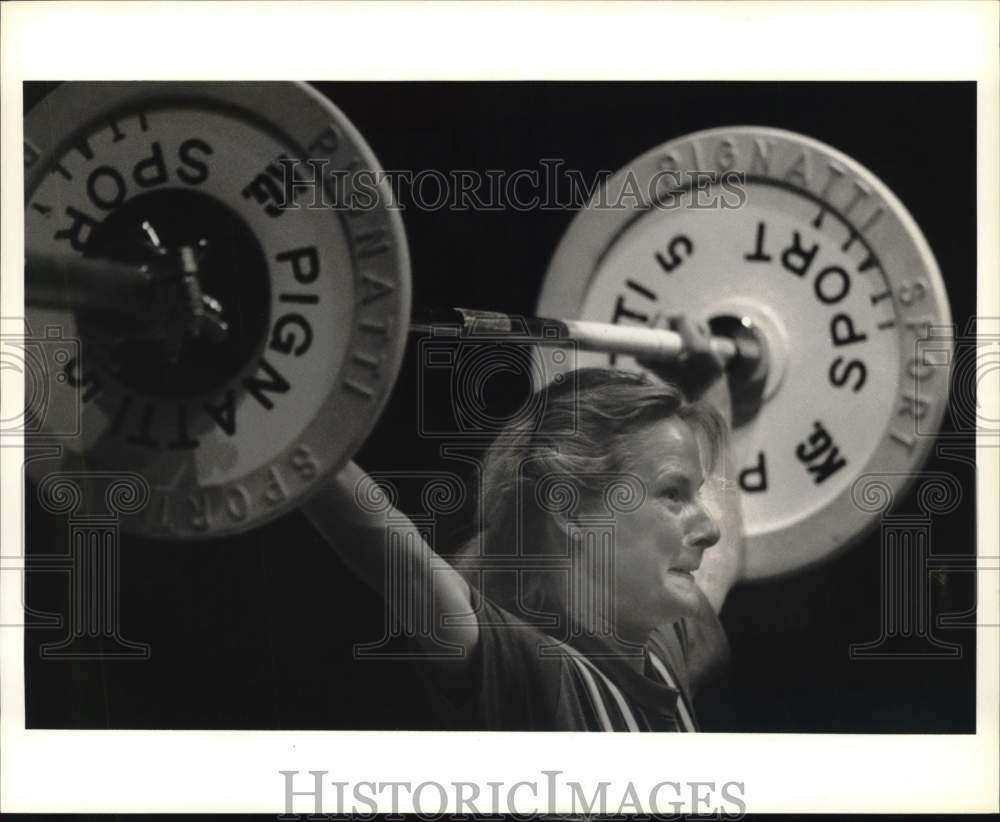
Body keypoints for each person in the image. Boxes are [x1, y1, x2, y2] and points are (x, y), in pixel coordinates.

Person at [303, 318, 745, 731]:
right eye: (673, 494)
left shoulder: (663, 647)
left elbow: (715, 567)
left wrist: (710, 390)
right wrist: (295, 427)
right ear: (570, 511)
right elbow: (394, 551)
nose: (709, 529)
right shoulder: (533, 674)